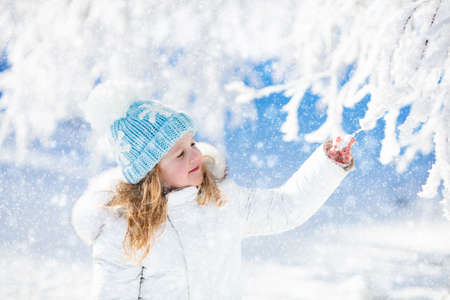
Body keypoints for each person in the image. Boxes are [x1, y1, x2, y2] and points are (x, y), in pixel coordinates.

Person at [71, 100, 355, 300]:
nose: (195, 155)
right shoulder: (127, 232)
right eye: (180, 154)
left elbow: (284, 208)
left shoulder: (220, 201)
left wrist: (328, 166)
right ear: (151, 174)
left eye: (192, 143)